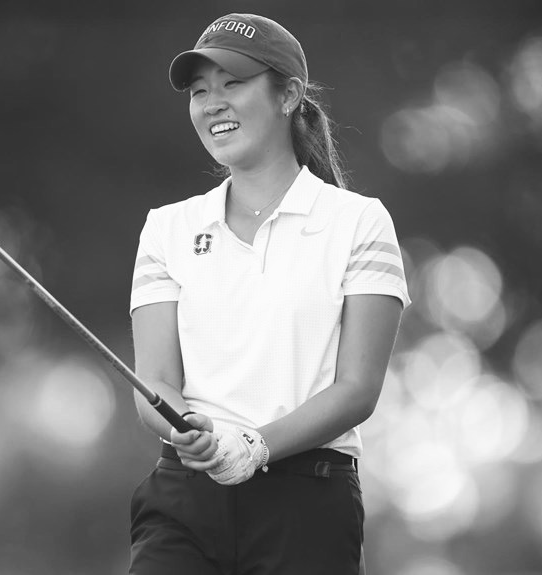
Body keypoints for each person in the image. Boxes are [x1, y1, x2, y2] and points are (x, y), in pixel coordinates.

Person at [128, 13, 410, 575]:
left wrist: (253, 446)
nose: (213, 104)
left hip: (307, 499)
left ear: (288, 95)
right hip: (185, 497)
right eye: (200, 91)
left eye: (232, 84)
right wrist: (192, 430)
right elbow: (153, 382)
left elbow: (357, 389)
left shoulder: (358, 222)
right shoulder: (167, 227)